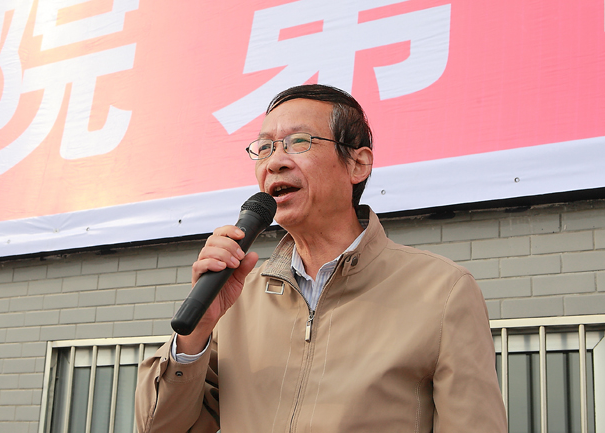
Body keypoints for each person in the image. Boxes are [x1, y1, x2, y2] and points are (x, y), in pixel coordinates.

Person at [135, 84, 507, 433]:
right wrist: (196, 334)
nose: (275, 162)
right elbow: (161, 427)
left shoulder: (443, 291)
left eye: (299, 141)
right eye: (264, 147)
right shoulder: (237, 295)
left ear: (358, 164)